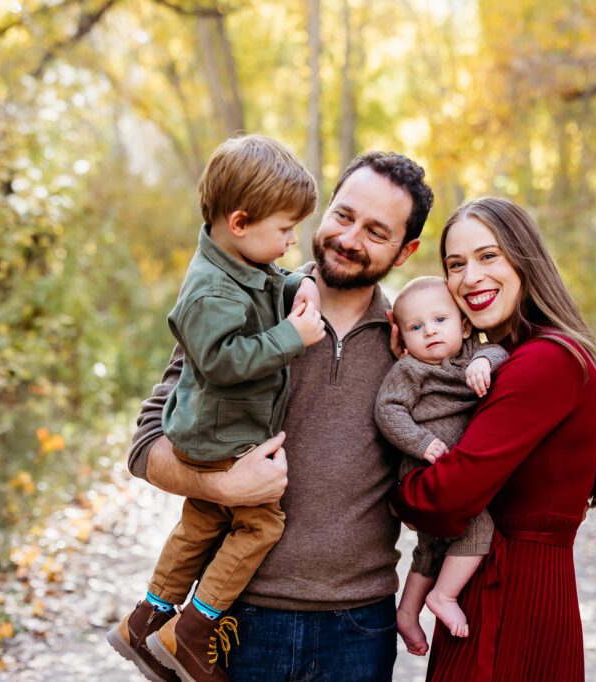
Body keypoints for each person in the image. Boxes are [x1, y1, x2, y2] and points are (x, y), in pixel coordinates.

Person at [125, 151, 434, 681]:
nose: (349, 238)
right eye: (343, 215)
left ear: (406, 252)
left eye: (376, 231)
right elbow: (144, 445)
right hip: (235, 618)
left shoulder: (417, 340)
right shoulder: (242, 305)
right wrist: (221, 488)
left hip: (359, 625)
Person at [107, 134, 325, 682]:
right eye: (284, 230)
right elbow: (223, 361)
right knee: (260, 525)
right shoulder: (209, 293)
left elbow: (269, 282)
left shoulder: (237, 265)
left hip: (216, 434)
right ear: (241, 222)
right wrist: (291, 337)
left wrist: (300, 283)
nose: (291, 241)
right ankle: (194, 630)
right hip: (221, 439)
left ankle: (145, 619)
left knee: (202, 522)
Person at [392, 197, 596, 682]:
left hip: (512, 598)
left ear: (524, 259)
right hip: (498, 586)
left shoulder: (543, 361)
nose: (469, 277)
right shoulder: (512, 356)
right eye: (455, 265)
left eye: (488, 256)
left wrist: (396, 490)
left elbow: (446, 498)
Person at [374, 276, 508, 655]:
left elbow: (499, 353)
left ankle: (407, 611)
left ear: (464, 324)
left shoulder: (473, 353)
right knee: (478, 524)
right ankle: (444, 596)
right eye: (417, 327)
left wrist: (483, 360)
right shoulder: (410, 370)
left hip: (455, 469)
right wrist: (420, 441)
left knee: (430, 547)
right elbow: (388, 410)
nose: (430, 332)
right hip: (425, 468)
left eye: (440, 320)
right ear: (402, 337)